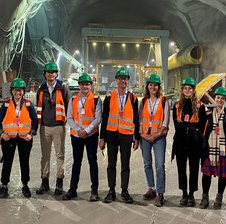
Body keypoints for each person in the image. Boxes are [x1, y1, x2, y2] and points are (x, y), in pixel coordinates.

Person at [99, 67, 140, 204]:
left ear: (128, 81)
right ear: (116, 80)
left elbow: (136, 119)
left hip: (126, 135)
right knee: (111, 164)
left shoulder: (133, 98)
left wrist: (136, 138)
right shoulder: (109, 98)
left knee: (125, 164)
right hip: (111, 134)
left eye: (125, 79)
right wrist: (102, 138)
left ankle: (124, 191)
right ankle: (111, 191)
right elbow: (104, 119)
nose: (123, 81)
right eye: (121, 78)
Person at [0, 78, 38, 198]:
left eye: (19, 90)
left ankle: (25, 185)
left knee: (24, 162)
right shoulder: (6, 104)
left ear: (23, 91)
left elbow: (35, 120)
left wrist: (31, 133)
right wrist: (1, 133)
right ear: (11, 91)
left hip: (25, 138)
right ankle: (4, 186)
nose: (17, 93)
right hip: (9, 138)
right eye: (15, 90)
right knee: (7, 162)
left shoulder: (28, 104)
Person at [62, 73, 102, 202]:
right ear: (79, 85)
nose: (85, 86)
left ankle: (94, 190)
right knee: (76, 162)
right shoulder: (73, 100)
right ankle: (72, 189)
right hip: (77, 135)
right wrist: (79, 130)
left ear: (91, 86)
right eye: (83, 84)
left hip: (91, 135)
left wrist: (87, 130)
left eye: (87, 84)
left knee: (92, 162)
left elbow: (98, 118)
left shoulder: (96, 99)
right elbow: (69, 117)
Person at [198, 86, 226, 209]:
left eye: (222, 98)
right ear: (214, 99)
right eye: (218, 97)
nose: (220, 100)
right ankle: (205, 197)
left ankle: (219, 197)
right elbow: (201, 129)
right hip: (209, 149)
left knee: (223, 175)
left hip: (224, 150)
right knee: (206, 174)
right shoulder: (207, 113)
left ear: (225, 100)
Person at [35, 62, 71, 195]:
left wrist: (67, 123)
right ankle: (45, 182)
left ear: (56, 74)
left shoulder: (63, 88)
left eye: (53, 72)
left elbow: (69, 107)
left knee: (59, 155)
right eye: (48, 72)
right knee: (45, 156)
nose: (51, 74)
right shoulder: (41, 89)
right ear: (45, 74)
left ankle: (59, 183)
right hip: (44, 127)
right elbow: (38, 108)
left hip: (58, 127)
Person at [139, 74, 169, 207]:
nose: (153, 87)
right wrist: (142, 134)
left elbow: (165, 122)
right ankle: (151, 188)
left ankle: (160, 193)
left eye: (155, 85)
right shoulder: (144, 101)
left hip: (158, 138)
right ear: (147, 86)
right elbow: (139, 119)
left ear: (159, 87)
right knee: (147, 164)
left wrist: (156, 135)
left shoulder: (164, 101)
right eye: (150, 85)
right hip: (145, 137)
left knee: (159, 165)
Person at [172, 77, 203, 207]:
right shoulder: (177, 105)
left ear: (193, 90)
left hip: (194, 143)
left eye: (190, 88)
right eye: (185, 88)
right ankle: (184, 193)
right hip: (180, 142)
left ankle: (191, 194)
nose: (187, 90)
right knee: (181, 168)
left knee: (194, 169)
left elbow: (201, 125)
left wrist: (191, 129)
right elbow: (176, 124)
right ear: (182, 90)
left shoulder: (199, 105)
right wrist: (188, 127)